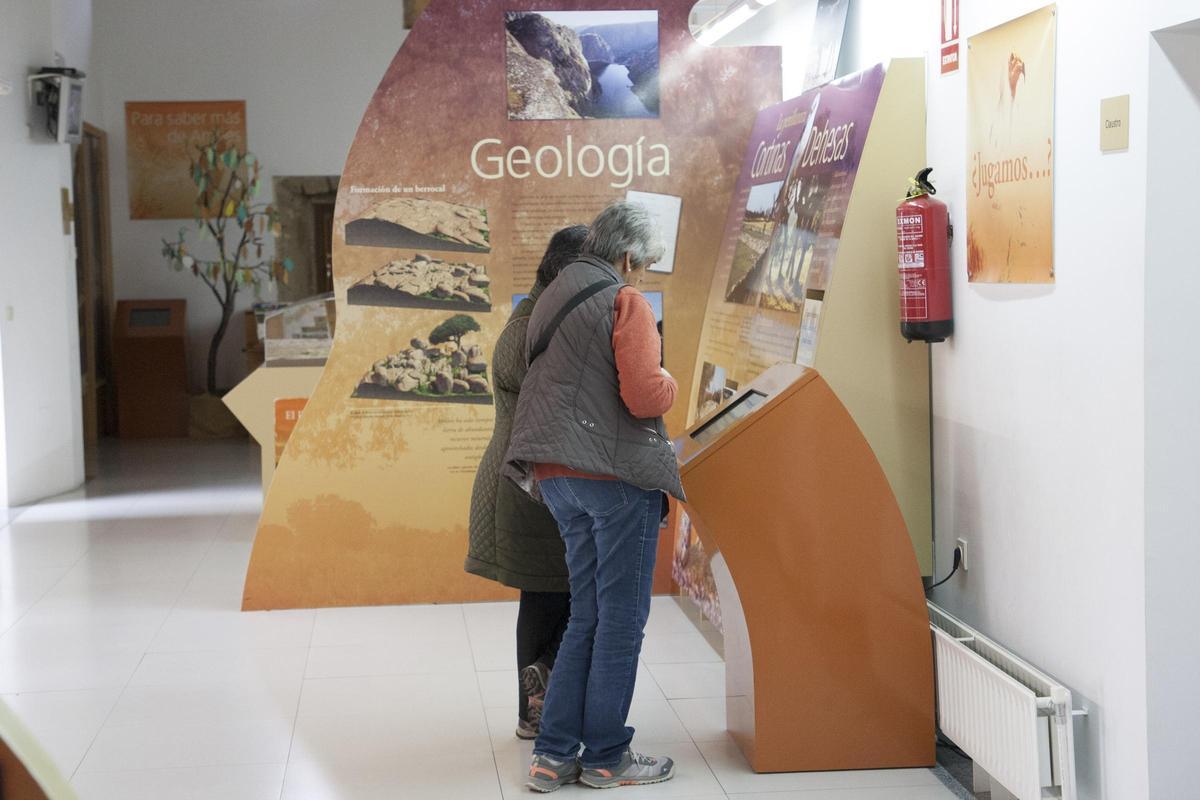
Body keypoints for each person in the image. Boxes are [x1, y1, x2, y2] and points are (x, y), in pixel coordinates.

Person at [504, 201, 686, 792]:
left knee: (587, 612)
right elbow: (644, 396)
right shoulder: (624, 301)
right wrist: (672, 380)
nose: (641, 278)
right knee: (622, 621)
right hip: (612, 479)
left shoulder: (554, 295)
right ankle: (607, 754)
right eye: (644, 266)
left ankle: (553, 754)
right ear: (628, 256)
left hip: (555, 476)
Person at [465, 224, 589, 739]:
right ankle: (533, 713)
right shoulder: (530, 330)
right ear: (568, 272)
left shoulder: (542, 320)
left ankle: (544, 701)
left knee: (564, 594)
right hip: (526, 487)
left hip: (536, 482)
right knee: (545, 597)